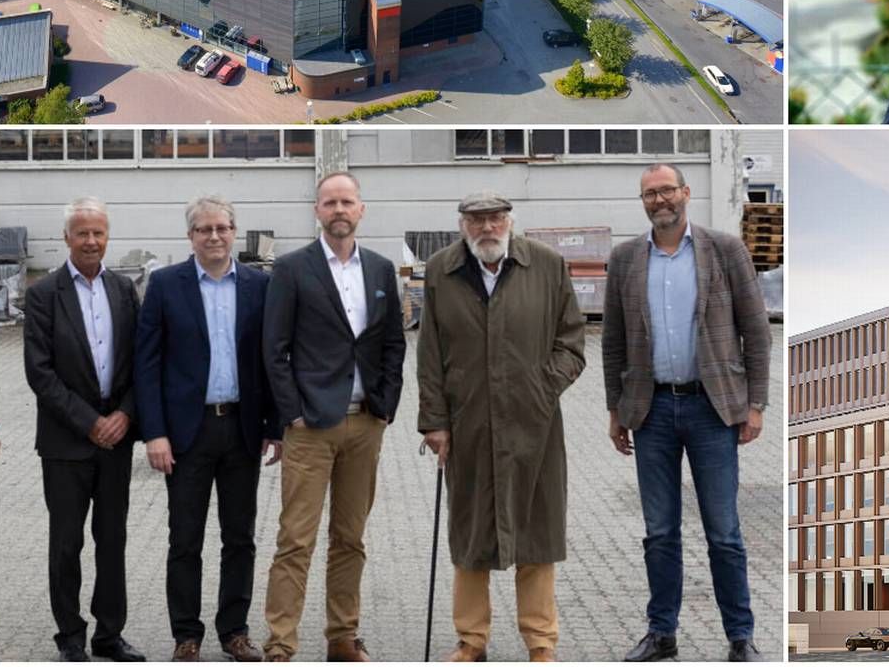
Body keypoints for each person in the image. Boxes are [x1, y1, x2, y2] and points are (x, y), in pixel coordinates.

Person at [606, 164, 771, 663]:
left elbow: (756, 330)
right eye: (650, 194)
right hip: (651, 410)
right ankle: (662, 634)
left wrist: (756, 404)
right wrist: (616, 409)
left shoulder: (724, 250)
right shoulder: (626, 258)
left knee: (724, 532)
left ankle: (740, 637)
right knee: (660, 532)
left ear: (686, 193)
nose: (660, 200)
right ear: (643, 202)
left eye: (667, 190)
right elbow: (613, 341)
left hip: (712, 408)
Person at [417, 192, 585, 663]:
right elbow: (429, 352)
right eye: (476, 221)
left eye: (495, 219)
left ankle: (541, 643)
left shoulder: (547, 266)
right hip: (467, 424)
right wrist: (434, 420)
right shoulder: (441, 271)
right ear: (462, 225)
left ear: (510, 221)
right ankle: (471, 640)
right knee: (471, 534)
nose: (487, 228)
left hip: (535, 425)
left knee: (537, 532)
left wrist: (541, 387)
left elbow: (571, 342)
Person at [262, 171, 406, 663]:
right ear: (317, 211)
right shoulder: (292, 269)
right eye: (330, 203)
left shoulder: (382, 269)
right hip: (311, 428)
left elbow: (393, 343)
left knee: (350, 538)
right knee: (295, 540)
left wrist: (385, 407)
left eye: (347, 202)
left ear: (361, 209)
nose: (339, 210)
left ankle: (342, 638)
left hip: (365, 424)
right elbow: (274, 348)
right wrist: (293, 415)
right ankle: (281, 644)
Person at [136, 196, 281, 663]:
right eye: (204, 229)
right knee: (185, 539)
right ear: (190, 236)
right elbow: (147, 364)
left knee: (239, 537)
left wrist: (274, 427)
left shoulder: (260, 286)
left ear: (234, 232)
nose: (214, 236)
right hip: (186, 432)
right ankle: (186, 635)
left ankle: (234, 631)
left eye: (221, 228)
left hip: (241, 429)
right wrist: (154, 432)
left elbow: (272, 359)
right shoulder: (164, 286)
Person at [23, 198, 145, 662]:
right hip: (65, 443)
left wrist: (126, 416)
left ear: (107, 236)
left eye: (98, 233)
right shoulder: (43, 294)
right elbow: (40, 372)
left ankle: (110, 635)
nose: (91, 241)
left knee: (112, 541)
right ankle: (71, 636)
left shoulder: (122, 289)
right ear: (67, 238)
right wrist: (88, 421)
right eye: (82, 233)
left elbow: (140, 363)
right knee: (67, 543)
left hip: (116, 439)